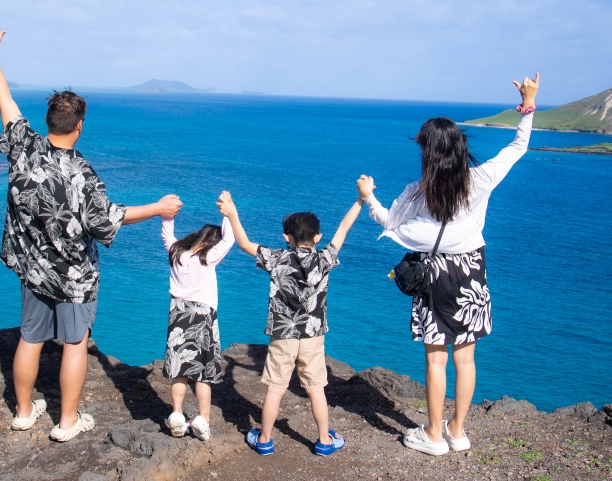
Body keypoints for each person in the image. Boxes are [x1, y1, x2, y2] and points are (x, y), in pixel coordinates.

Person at [0, 30, 183, 442]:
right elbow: (106, 222)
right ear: (79, 126)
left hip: (33, 269)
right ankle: (68, 422)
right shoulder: (82, 175)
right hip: (74, 277)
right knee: (75, 343)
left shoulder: (24, 148)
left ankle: (25, 412)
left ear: (48, 122)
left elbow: (4, 101)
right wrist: (158, 208)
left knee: (29, 337)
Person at [357, 73, 539, 456]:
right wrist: (527, 106)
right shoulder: (480, 180)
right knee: (466, 357)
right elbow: (518, 147)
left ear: (426, 151)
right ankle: (458, 431)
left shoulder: (417, 192)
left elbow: (388, 222)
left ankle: (434, 435)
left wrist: (369, 196)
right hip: (472, 270)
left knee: (436, 359)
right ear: (459, 147)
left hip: (435, 274)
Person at [217, 190, 363, 456]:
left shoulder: (278, 258)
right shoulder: (325, 259)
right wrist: (361, 200)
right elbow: (344, 228)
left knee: (276, 389)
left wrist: (232, 212)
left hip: (282, 334)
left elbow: (244, 244)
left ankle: (264, 440)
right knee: (316, 389)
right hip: (313, 336)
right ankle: (324, 441)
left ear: (287, 237)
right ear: (317, 237)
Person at [161, 212, 236, 441]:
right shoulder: (208, 257)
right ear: (210, 243)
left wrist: (168, 214)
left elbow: (167, 234)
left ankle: (176, 414)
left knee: (179, 369)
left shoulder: (177, 253)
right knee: (203, 373)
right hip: (202, 318)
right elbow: (230, 239)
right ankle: (202, 419)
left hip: (178, 316)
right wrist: (228, 212)